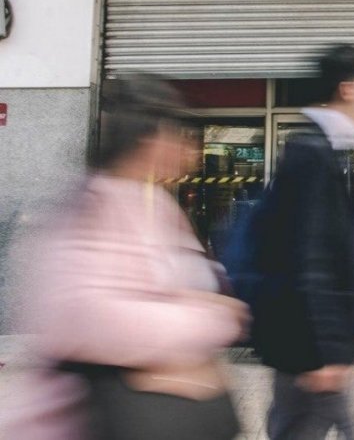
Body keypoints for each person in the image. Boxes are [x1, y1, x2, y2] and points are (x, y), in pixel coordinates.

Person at [5, 75, 247, 439]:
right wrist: (206, 318)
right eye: (179, 136)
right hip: (90, 421)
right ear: (148, 137)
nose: (190, 151)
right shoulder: (86, 205)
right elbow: (83, 316)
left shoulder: (159, 206)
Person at [253, 44, 354, 439]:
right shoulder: (312, 152)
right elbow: (309, 259)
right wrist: (328, 352)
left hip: (313, 350)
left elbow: (336, 249)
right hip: (311, 353)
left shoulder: (328, 150)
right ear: (349, 90)